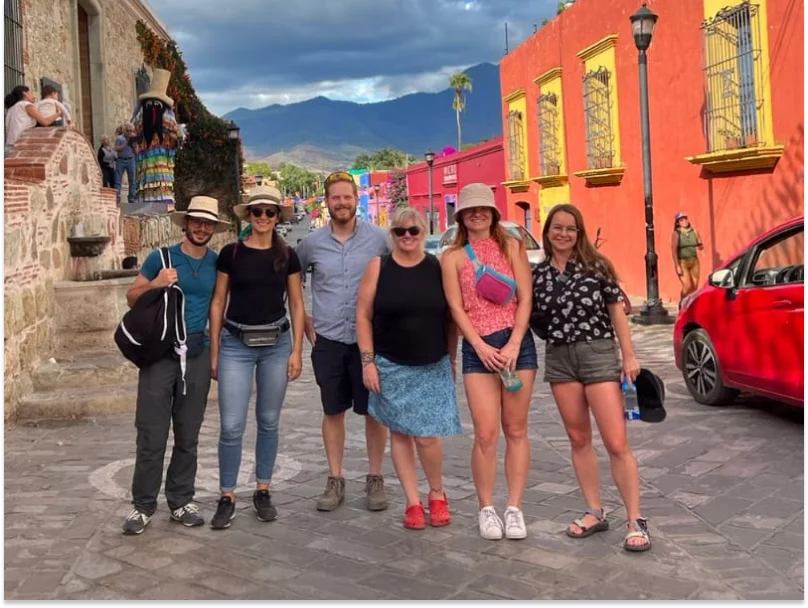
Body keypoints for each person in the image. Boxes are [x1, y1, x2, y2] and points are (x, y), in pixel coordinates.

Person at [532, 203, 650, 552]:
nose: (563, 233)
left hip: (597, 353)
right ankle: (594, 511)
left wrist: (628, 355)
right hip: (560, 358)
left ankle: (635, 519)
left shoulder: (598, 267)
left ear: (579, 232)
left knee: (616, 442)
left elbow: (617, 313)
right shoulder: (537, 275)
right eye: (557, 227)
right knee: (578, 437)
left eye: (571, 228)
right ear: (548, 231)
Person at [121, 196, 230, 535]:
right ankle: (142, 506)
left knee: (188, 432)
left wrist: (214, 356)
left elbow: (217, 307)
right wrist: (157, 283)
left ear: (213, 228)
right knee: (151, 432)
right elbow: (132, 295)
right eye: (196, 221)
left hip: (196, 352)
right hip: (160, 355)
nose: (201, 228)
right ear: (185, 223)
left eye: (207, 223)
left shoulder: (216, 263)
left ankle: (181, 500)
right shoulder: (162, 257)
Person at [440, 183, 537, 541]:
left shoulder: (511, 246)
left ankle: (514, 507)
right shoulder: (451, 257)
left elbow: (525, 298)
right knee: (485, 433)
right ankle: (486, 507)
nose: (477, 214)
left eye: (483, 208)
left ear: (493, 212)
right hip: (478, 349)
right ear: (462, 216)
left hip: (517, 345)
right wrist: (478, 345)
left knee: (516, 429)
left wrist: (514, 343)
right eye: (470, 209)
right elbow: (455, 307)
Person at [356, 208, 462, 530]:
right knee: (400, 435)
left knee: (427, 437)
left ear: (422, 232)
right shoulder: (379, 266)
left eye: (413, 231)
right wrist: (368, 362)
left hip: (431, 364)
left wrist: (452, 358)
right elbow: (363, 315)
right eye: (400, 231)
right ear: (392, 234)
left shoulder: (437, 267)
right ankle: (413, 501)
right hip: (390, 365)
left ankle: (437, 493)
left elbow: (451, 316)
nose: (407, 237)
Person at [208, 185, 305, 529]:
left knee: (268, 420)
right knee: (232, 425)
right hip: (236, 344)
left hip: (276, 345)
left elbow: (295, 303)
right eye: (257, 211)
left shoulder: (287, 256)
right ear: (248, 215)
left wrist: (297, 350)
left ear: (278, 218)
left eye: (270, 212)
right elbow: (219, 301)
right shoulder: (231, 254)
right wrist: (216, 350)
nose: (263, 217)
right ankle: (227, 494)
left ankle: (263, 488)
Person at [295, 171, 390, 512]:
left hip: (371, 342)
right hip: (330, 339)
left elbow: (404, 272)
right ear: (327, 202)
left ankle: (375, 478)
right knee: (332, 410)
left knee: (373, 412)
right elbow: (291, 283)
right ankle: (335, 480)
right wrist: (303, 316)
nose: (342, 203)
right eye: (335, 197)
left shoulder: (380, 240)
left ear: (356, 198)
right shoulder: (311, 244)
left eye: (347, 196)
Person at [4, 85, 62, 153]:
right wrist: (58, 113)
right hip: (19, 147)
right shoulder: (26, 104)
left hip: (8, 147)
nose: (33, 96)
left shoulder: (11, 109)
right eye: (31, 93)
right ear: (24, 93)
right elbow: (45, 122)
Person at [671, 212, 704, 305]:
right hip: (682, 262)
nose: (684, 221)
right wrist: (677, 265)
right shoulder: (676, 233)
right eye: (681, 220)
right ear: (678, 223)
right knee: (687, 286)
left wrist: (700, 246)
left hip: (694, 261)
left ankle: (690, 305)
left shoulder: (694, 231)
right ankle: (682, 302)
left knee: (694, 286)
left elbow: (700, 243)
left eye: (685, 219)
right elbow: (674, 250)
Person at [115, 123, 137, 205]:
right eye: (128, 131)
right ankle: (117, 198)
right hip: (121, 160)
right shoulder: (120, 138)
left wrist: (134, 146)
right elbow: (117, 148)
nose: (129, 132)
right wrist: (125, 144)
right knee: (118, 180)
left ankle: (131, 198)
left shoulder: (133, 138)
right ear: (124, 130)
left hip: (131, 159)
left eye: (131, 131)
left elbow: (136, 151)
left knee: (132, 180)